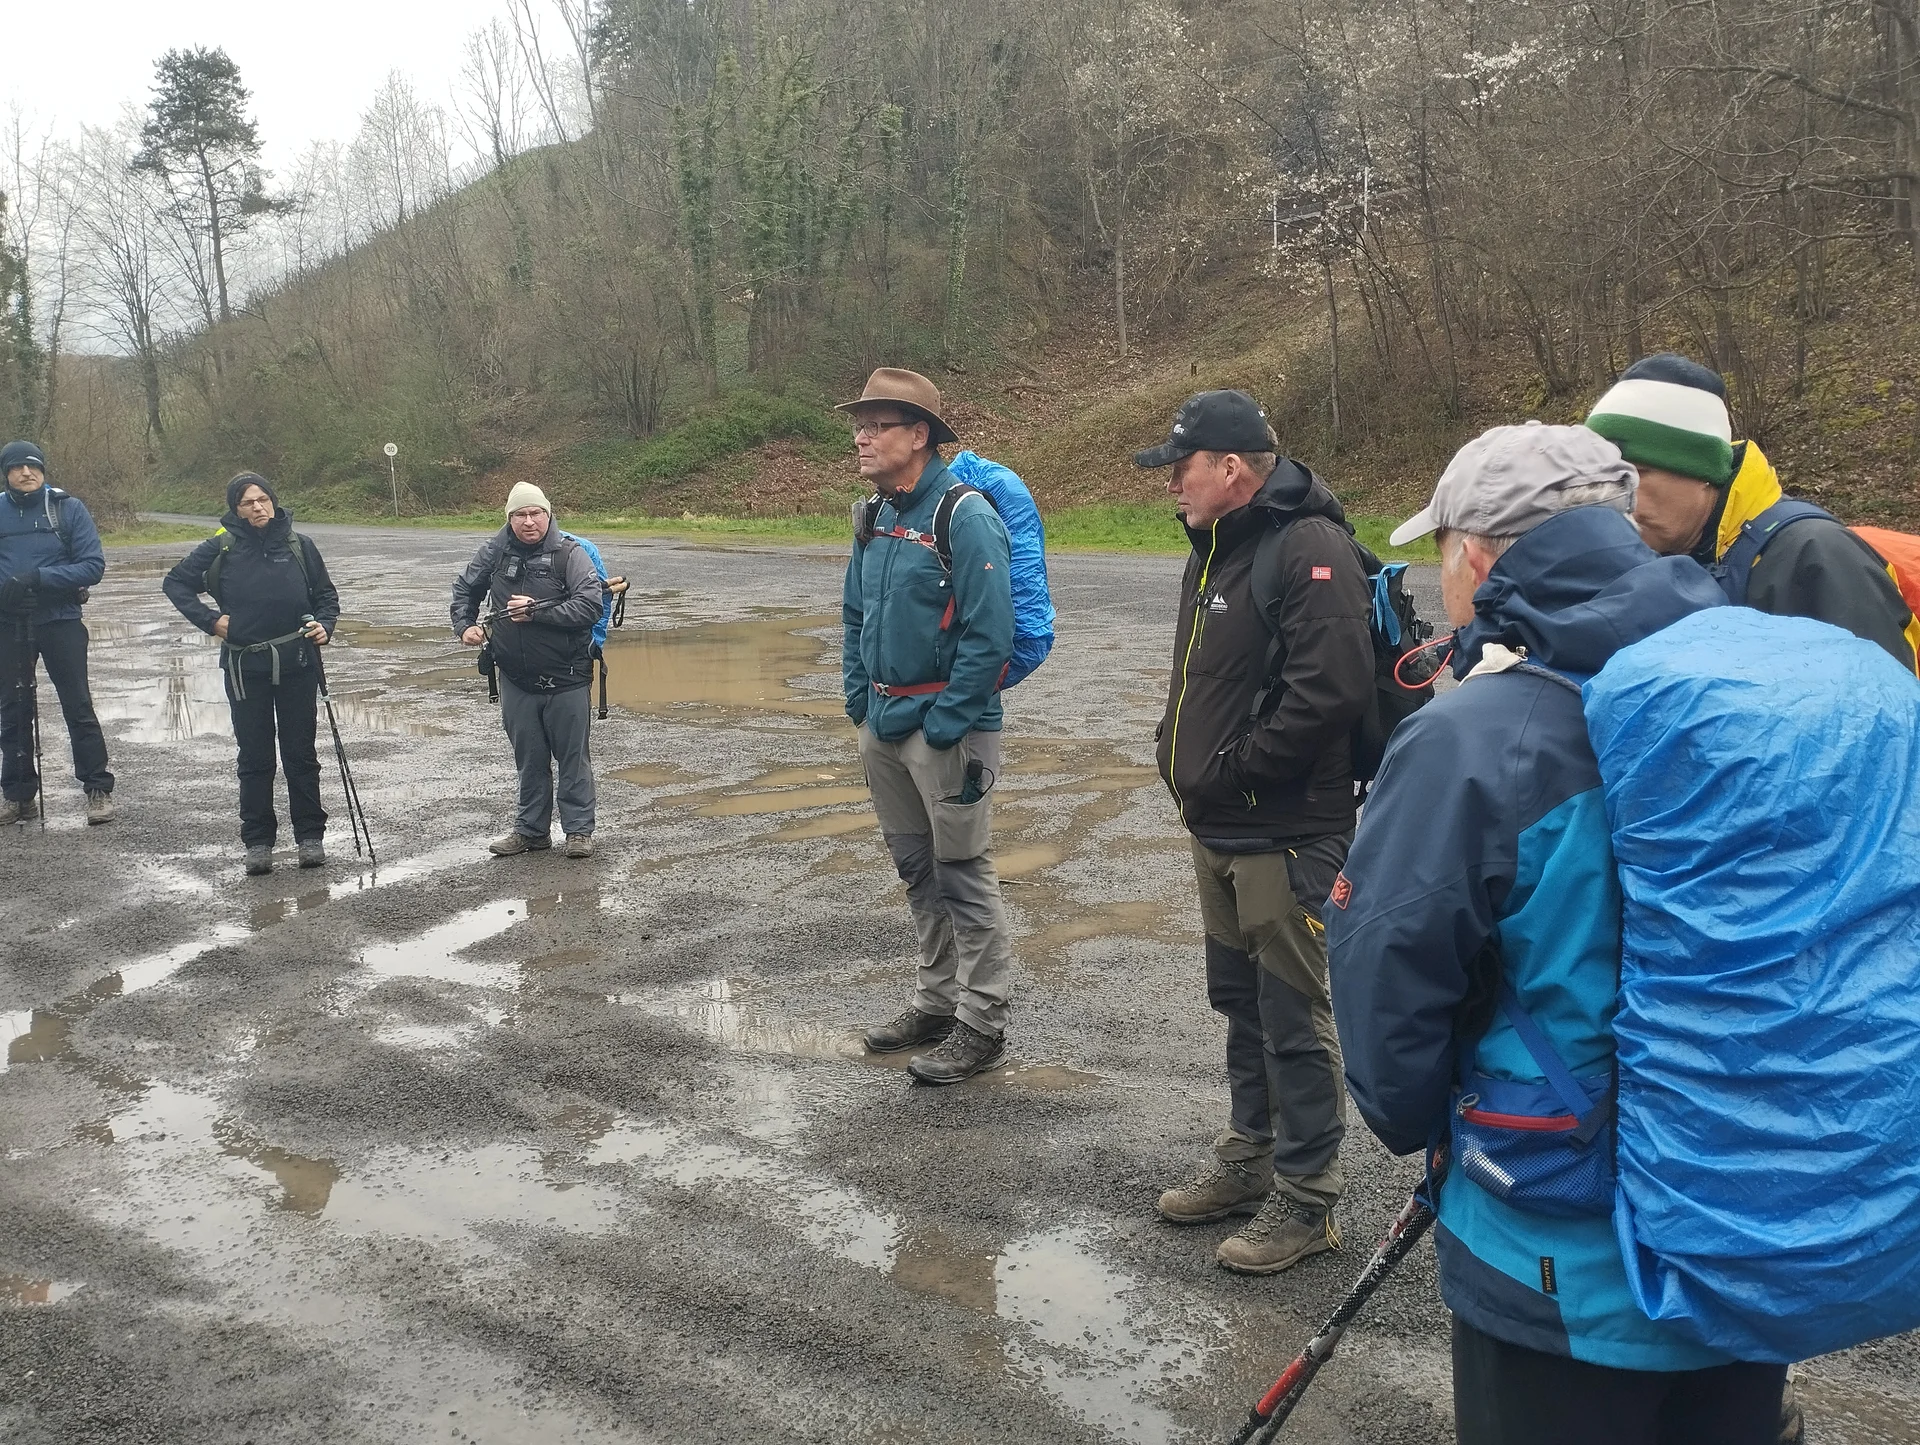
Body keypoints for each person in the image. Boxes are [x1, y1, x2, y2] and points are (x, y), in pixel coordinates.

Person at [1326, 422, 1786, 1444]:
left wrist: (1426, 1124)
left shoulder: (1474, 738)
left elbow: (1388, 977)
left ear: (1480, 558)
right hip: (1747, 1214)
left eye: (1442, 549)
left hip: (1559, 1253)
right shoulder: (1746, 677)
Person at [1131, 390, 1374, 1274]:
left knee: (1292, 1015)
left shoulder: (1308, 546)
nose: (1172, 485)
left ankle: (1307, 1199)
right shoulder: (1216, 549)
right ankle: (1250, 1159)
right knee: (1241, 1005)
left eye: (1181, 468)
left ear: (1231, 467)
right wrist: (1181, 754)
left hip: (1285, 831)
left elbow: (1330, 692)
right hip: (1222, 827)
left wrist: (1232, 770)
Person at [842, 368, 1018, 1086]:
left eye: (876, 426)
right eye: (860, 426)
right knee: (917, 870)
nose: (861, 438)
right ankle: (937, 1000)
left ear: (918, 435)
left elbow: (991, 633)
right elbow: (855, 613)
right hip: (883, 722)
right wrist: (860, 700)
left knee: (962, 873)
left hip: (946, 729)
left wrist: (945, 723)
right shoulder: (874, 514)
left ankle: (982, 1021)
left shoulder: (964, 515)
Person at [1585, 352, 1917, 671]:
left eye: (1637, 474)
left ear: (1703, 472)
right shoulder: (1637, 559)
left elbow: (1885, 699)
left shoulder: (1817, 555)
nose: (1619, 499)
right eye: (1605, 481)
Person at [163, 474, 341, 874]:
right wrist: (210, 621)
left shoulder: (299, 545)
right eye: (248, 502)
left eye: (263, 499)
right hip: (245, 668)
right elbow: (175, 583)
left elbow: (326, 596)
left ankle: (310, 837)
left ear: (273, 502)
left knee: (301, 754)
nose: (258, 507)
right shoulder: (221, 547)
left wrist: (325, 626)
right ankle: (258, 842)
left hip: (297, 663)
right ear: (236, 509)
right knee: (255, 756)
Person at [452, 482, 605, 859]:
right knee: (530, 758)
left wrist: (537, 611)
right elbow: (465, 590)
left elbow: (590, 606)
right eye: (520, 514)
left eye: (536, 513)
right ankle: (532, 831)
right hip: (515, 678)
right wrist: (464, 625)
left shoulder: (570, 553)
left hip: (567, 675)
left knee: (573, 759)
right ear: (509, 518)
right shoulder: (494, 552)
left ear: (548, 515)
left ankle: (578, 831)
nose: (529, 521)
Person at [0, 439, 114, 826]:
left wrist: (38, 578)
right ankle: (18, 796)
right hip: (9, 624)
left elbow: (92, 566)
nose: (26, 472)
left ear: (43, 470)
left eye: (33, 466)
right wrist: (7, 595)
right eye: (17, 467)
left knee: (78, 705)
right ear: (6, 474)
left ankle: (97, 788)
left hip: (61, 619)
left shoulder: (67, 508)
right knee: (12, 710)